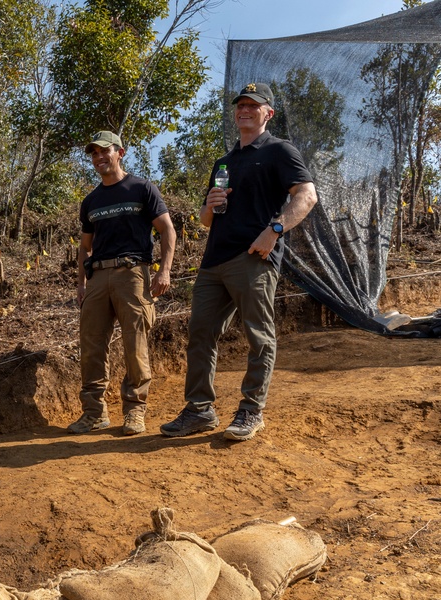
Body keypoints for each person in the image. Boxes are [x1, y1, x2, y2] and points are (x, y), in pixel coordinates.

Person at [161, 83, 318, 441]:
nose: (244, 110)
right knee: (200, 333)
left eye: (253, 105)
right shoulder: (224, 162)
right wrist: (210, 204)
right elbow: (205, 219)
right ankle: (199, 410)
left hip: (253, 257)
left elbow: (307, 196)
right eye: (240, 105)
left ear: (268, 113)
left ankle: (251, 411)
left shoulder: (280, 151)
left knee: (258, 335)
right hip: (214, 261)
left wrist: (274, 230)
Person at [68, 130, 176, 436]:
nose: (99, 157)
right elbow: (85, 246)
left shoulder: (142, 188)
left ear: (120, 153)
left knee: (135, 345)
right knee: (91, 347)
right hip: (98, 277)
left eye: (105, 151)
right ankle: (93, 413)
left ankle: (134, 411)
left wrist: (164, 271)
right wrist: (81, 283)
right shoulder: (91, 200)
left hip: (133, 274)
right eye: (94, 154)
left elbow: (168, 231)